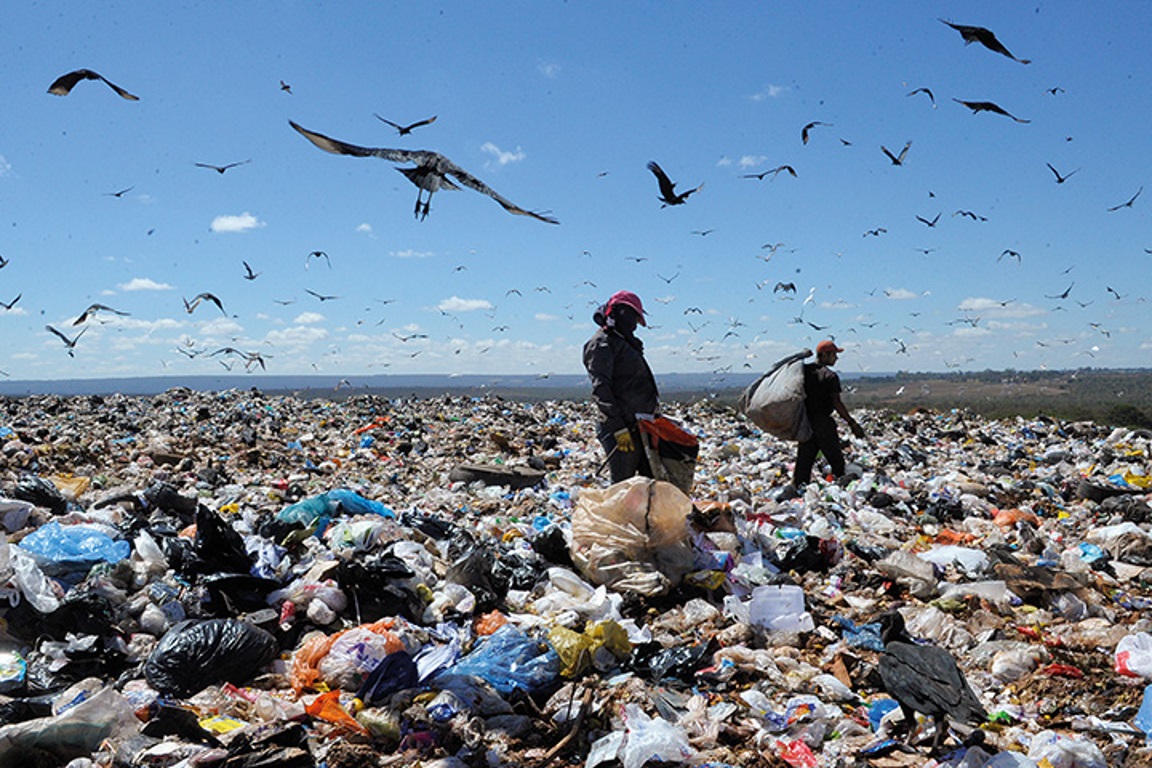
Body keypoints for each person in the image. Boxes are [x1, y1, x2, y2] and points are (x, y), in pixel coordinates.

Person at [583, 290, 659, 484]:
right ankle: (620, 515)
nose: (634, 324)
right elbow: (601, 389)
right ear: (619, 313)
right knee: (623, 484)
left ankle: (640, 515)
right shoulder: (601, 343)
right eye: (632, 316)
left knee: (647, 481)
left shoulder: (622, 341)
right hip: (621, 427)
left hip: (639, 424)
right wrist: (618, 428)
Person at [793, 340, 865, 487]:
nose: (836, 358)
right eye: (834, 355)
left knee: (804, 463)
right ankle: (843, 489)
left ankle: (797, 491)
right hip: (823, 424)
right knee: (836, 461)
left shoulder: (803, 372)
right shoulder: (829, 376)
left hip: (806, 423)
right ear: (824, 355)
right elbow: (837, 403)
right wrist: (852, 423)